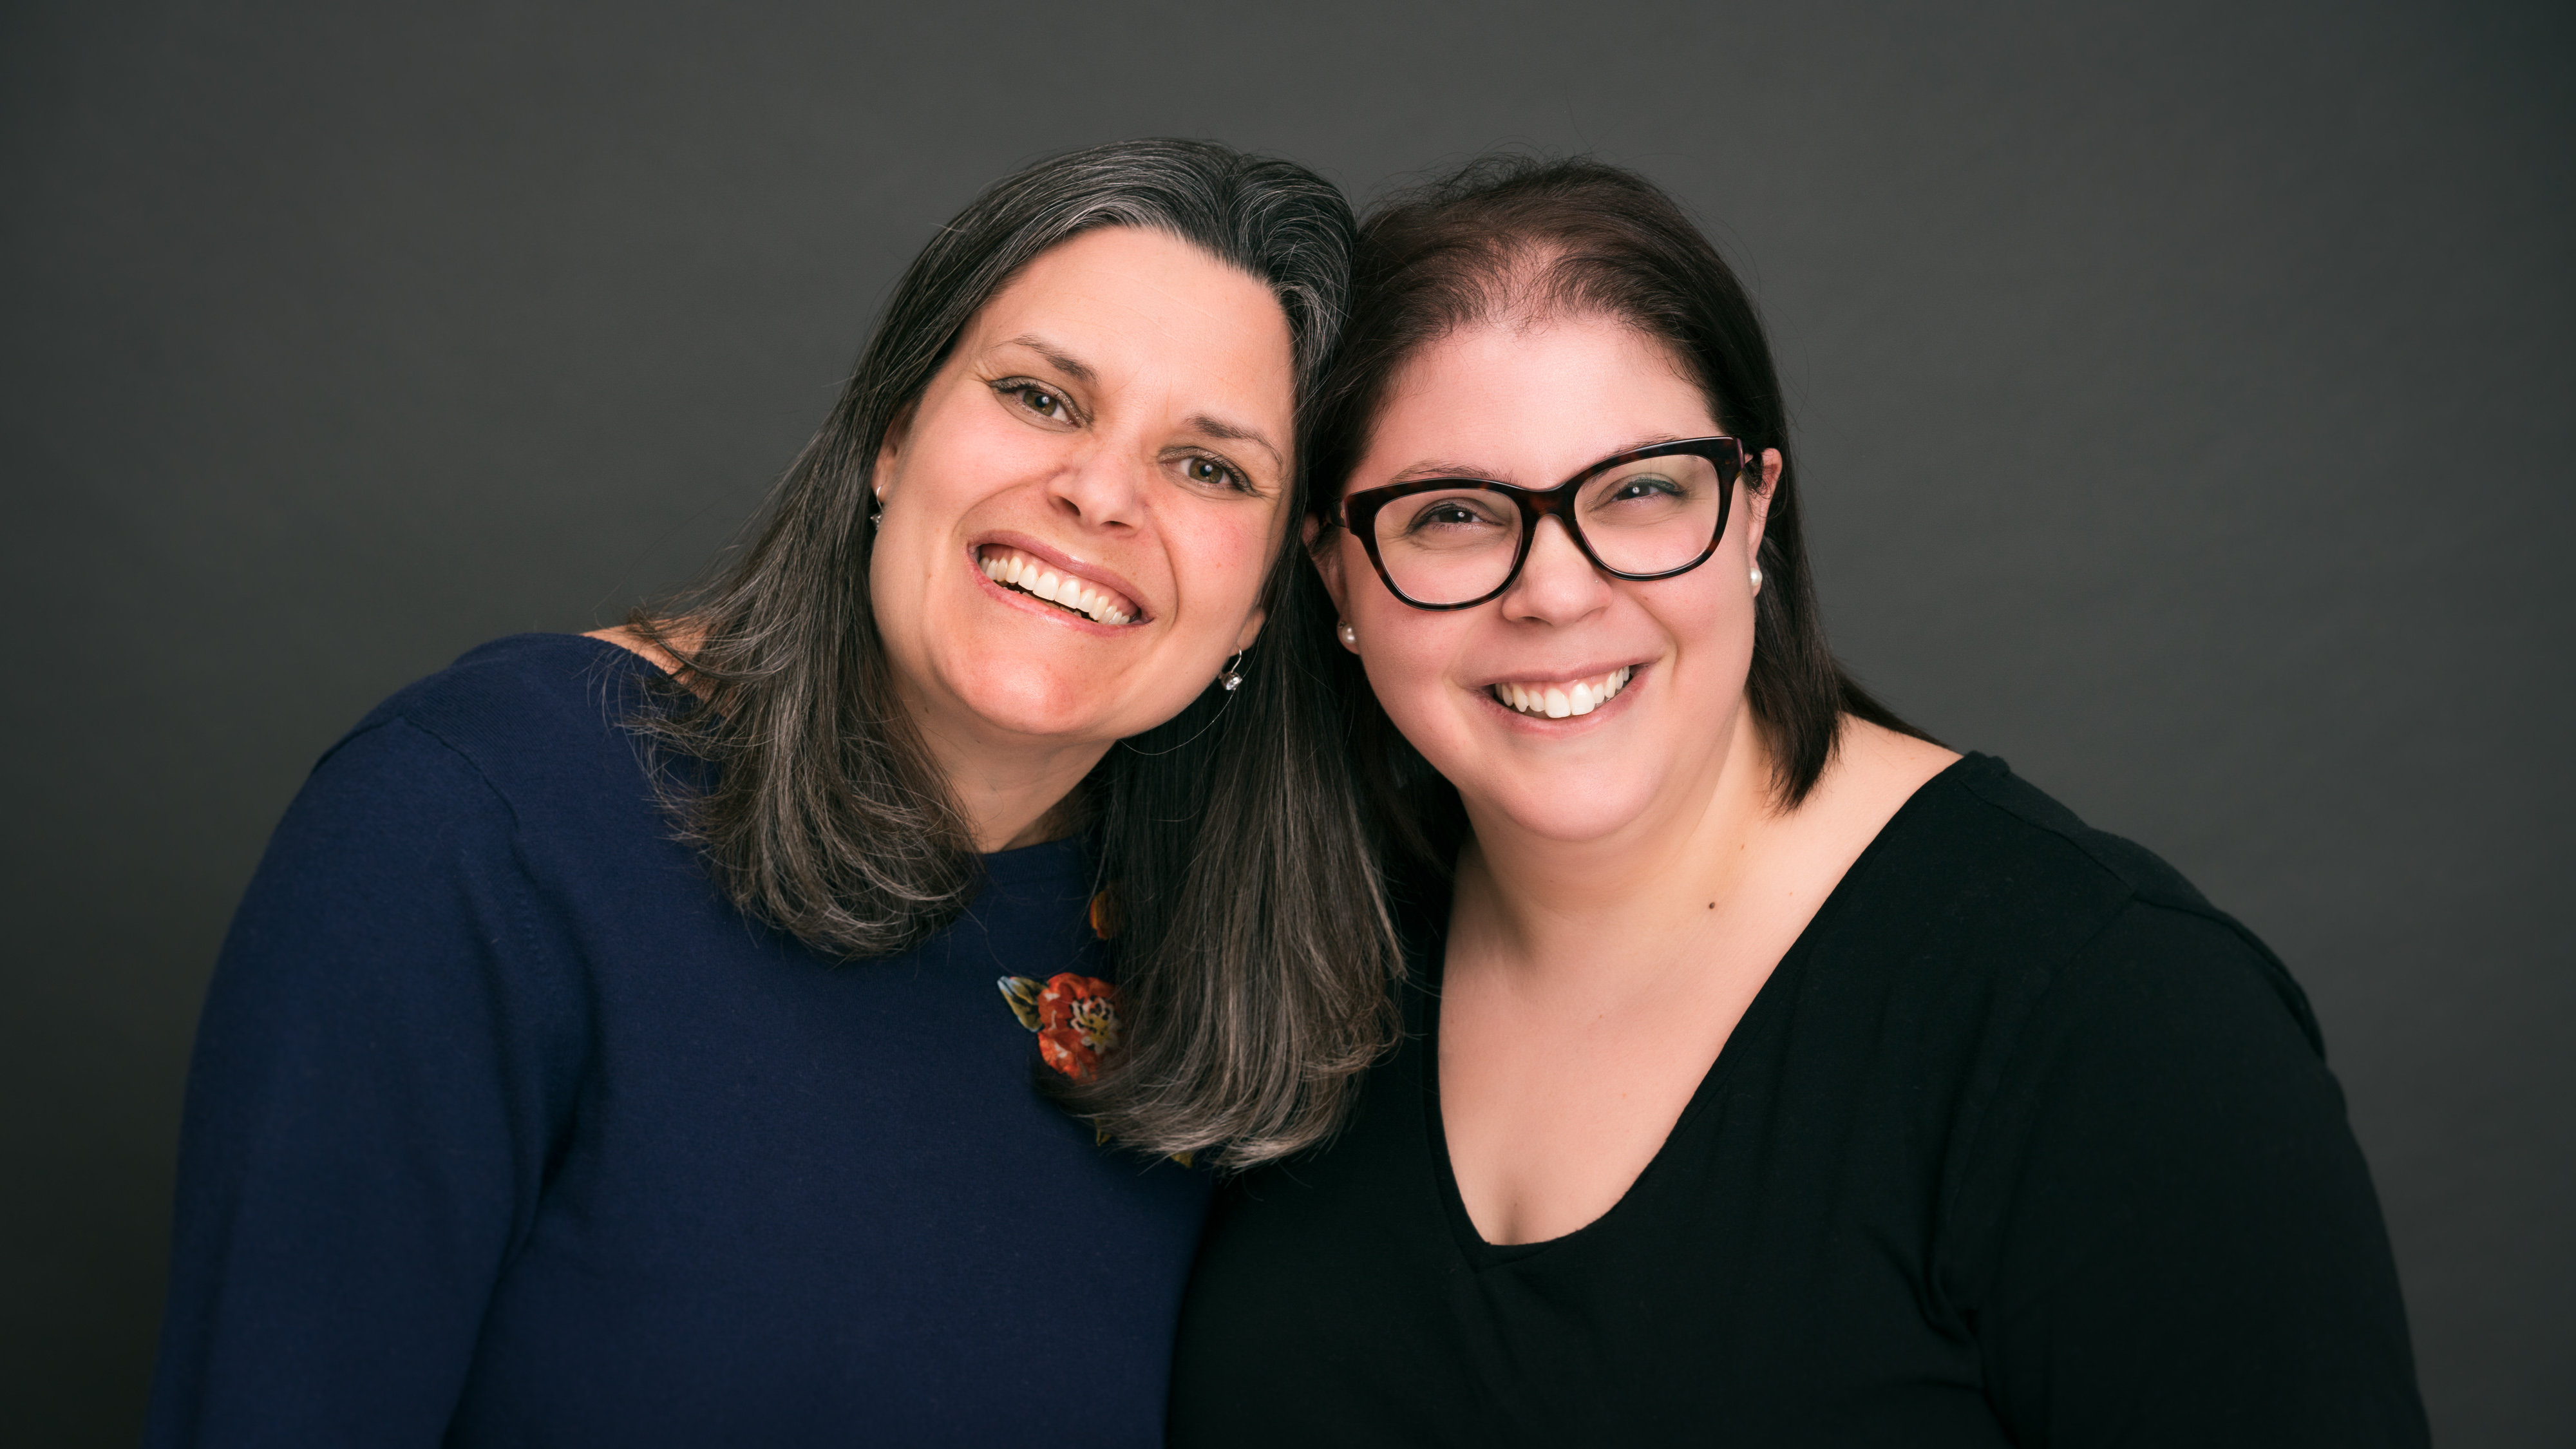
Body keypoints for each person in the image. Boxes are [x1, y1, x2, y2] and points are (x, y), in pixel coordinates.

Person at [145, 138, 1402, 1446]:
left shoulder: (1229, 968)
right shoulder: (473, 824)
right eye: (1038, 397)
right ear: (890, 432)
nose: (1097, 492)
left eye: (1209, 468)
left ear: (1264, 598)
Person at [1170, 157, 2429, 1446]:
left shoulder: (2108, 1012)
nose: (1552, 591)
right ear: (1333, 570)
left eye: (1640, 491)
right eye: (1452, 513)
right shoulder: (1297, 963)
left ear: (1754, 511)